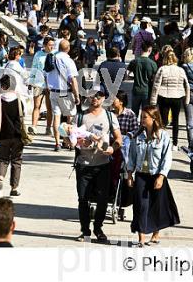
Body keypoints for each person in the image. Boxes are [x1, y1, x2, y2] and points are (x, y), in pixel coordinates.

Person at [127, 106, 180, 247]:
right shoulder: (137, 135)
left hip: (156, 174)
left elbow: (167, 158)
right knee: (140, 205)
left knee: (156, 206)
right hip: (141, 175)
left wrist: (162, 176)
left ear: (154, 118)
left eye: (145, 117)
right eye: (141, 117)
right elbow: (131, 156)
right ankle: (141, 238)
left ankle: (156, 234)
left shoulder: (163, 136)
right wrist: (129, 174)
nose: (142, 120)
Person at [75, 89, 122, 242]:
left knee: (103, 199)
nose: (95, 98)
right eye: (92, 95)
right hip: (83, 165)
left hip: (103, 164)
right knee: (83, 199)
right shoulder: (80, 116)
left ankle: (98, 228)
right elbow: (70, 140)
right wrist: (75, 142)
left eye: (98, 96)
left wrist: (112, 148)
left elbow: (118, 139)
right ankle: (85, 231)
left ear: (104, 99)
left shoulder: (110, 116)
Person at [150, 50, 190, 150]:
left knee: (163, 121)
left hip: (164, 96)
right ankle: (175, 144)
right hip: (177, 96)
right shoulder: (180, 70)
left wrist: (153, 101)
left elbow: (156, 85)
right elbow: (187, 85)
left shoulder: (162, 69)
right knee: (175, 120)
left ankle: (162, 140)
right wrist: (187, 100)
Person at [45, 39, 80, 151]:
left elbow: (45, 75)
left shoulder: (51, 58)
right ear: (68, 48)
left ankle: (57, 143)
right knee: (70, 118)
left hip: (53, 91)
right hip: (65, 92)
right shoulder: (68, 61)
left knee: (57, 117)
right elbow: (73, 80)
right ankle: (69, 142)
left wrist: (48, 87)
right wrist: (77, 95)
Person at [0, 75, 25, 196]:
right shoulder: (19, 100)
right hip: (17, 135)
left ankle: (0, 178)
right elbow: (23, 116)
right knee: (16, 161)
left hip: (3, 134)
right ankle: (14, 188)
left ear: (2, 86)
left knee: (3, 159)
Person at [28, 36, 54, 135]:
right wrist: (31, 81)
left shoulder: (54, 55)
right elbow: (34, 68)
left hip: (50, 85)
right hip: (38, 83)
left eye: (52, 45)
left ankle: (48, 128)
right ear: (44, 45)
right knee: (36, 106)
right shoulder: (38, 54)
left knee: (49, 107)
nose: (51, 47)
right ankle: (34, 126)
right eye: (49, 45)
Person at [127, 42, 158, 115]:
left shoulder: (134, 62)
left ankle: (134, 125)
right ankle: (143, 126)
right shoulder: (153, 64)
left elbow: (127, 75)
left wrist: (134, 77)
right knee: (146, 113)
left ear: (141, 49)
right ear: (150, 50)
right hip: (147, 91)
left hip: (136, 90)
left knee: (134, 112)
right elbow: (155, 79)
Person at [112, 90, 139, 165]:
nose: (111, 101)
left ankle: (126, 165)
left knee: (125, 140)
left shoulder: (130, 114)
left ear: (121, 102)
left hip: (125, 141)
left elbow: (135, 130)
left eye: (114, 99)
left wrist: (127, 136)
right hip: (112, 139)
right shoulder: (110, 114)